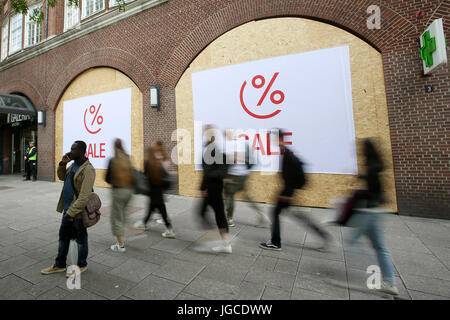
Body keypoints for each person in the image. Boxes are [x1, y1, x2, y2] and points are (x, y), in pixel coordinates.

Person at [260, 129, 331, 251]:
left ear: (280, 139)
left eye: (275, 138)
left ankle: (276, 242)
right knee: (299, 216)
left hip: (288, 192)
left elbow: (293, 176)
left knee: (276, 213)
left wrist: (288, 194)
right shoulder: (286, 152)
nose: (273, 141)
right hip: (289, 191)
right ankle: (324, 236)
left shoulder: (288, 154)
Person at [345, 138, 399, 295]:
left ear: (366, 150)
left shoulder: (371, 169)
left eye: (361, 148)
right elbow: (376, 186)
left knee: (352, 243)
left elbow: (371, 191)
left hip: (368, 212)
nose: (359, 151)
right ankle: (390, 283)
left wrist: (356, 192)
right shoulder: (375, 166)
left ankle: (373, 273)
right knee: (380, 247)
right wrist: (362, 177)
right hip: (376, 211)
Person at [40, 141, 95, 277]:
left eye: (73, 149)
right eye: (71, 148)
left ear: (82, 151)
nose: (70, 151)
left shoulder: (88, 169)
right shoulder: (73, 165)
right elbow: (61, 177)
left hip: (77, 212)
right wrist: (62, 163)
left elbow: (84, 196)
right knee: (63, 237)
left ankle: (82, 265)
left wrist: (71, 212)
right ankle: (59, 265)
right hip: (67, 209)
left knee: (80, 239)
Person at [223, 129, 270, 228]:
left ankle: (230, 219)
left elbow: (232, 160)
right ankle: (262, 215)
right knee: (247, 196)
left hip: (233, 175)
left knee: (230, 196)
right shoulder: (243, 143)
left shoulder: (230, 145)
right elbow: (252, 159)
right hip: (243, 175)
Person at [198, 125, 231, 253]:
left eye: (205, 133)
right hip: (213, 187)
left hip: (213, 188)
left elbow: (217, 171)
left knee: (211, 213)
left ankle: (223, 241)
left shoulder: (212, 149)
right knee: (217, 213)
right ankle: (225, 242)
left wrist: (203, 187)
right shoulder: (210, 148)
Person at [134, 142, 176, 238]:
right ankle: (145, 223)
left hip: (152, 191)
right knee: (153, 208)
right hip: (158, 190)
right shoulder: (157, 163)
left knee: (160, 210)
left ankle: (169, 230)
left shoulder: (147, 162)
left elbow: (145, 176)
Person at [105, 139, 135, 252]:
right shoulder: (128, 158)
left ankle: (120, 245)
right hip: (129, 191)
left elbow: (107, 178)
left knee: (116, 217)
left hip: (118, 192)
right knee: (123, 213)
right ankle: (130, 227)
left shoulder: (113, 160)